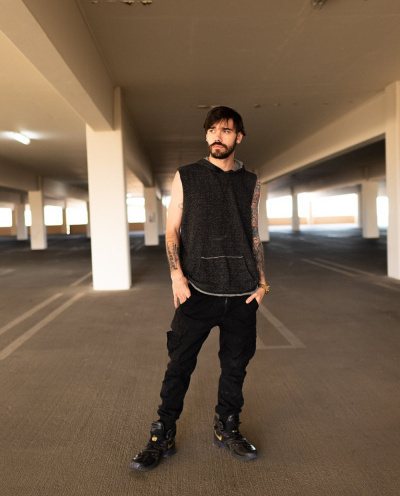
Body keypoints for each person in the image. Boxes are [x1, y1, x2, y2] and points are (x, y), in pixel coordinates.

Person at [130, 106, 269, 472]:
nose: (217, 136)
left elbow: (254, 233)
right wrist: (176, 276)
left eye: (226, 130)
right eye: (212, 130)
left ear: (239, 137)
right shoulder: (186, 176)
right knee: (179, 365)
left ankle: (228, 428)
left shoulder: (251, 182)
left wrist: (262, 282)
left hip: (241, 293)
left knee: (235, 367)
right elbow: (172, 229)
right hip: (197, 290)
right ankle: (162, 434)